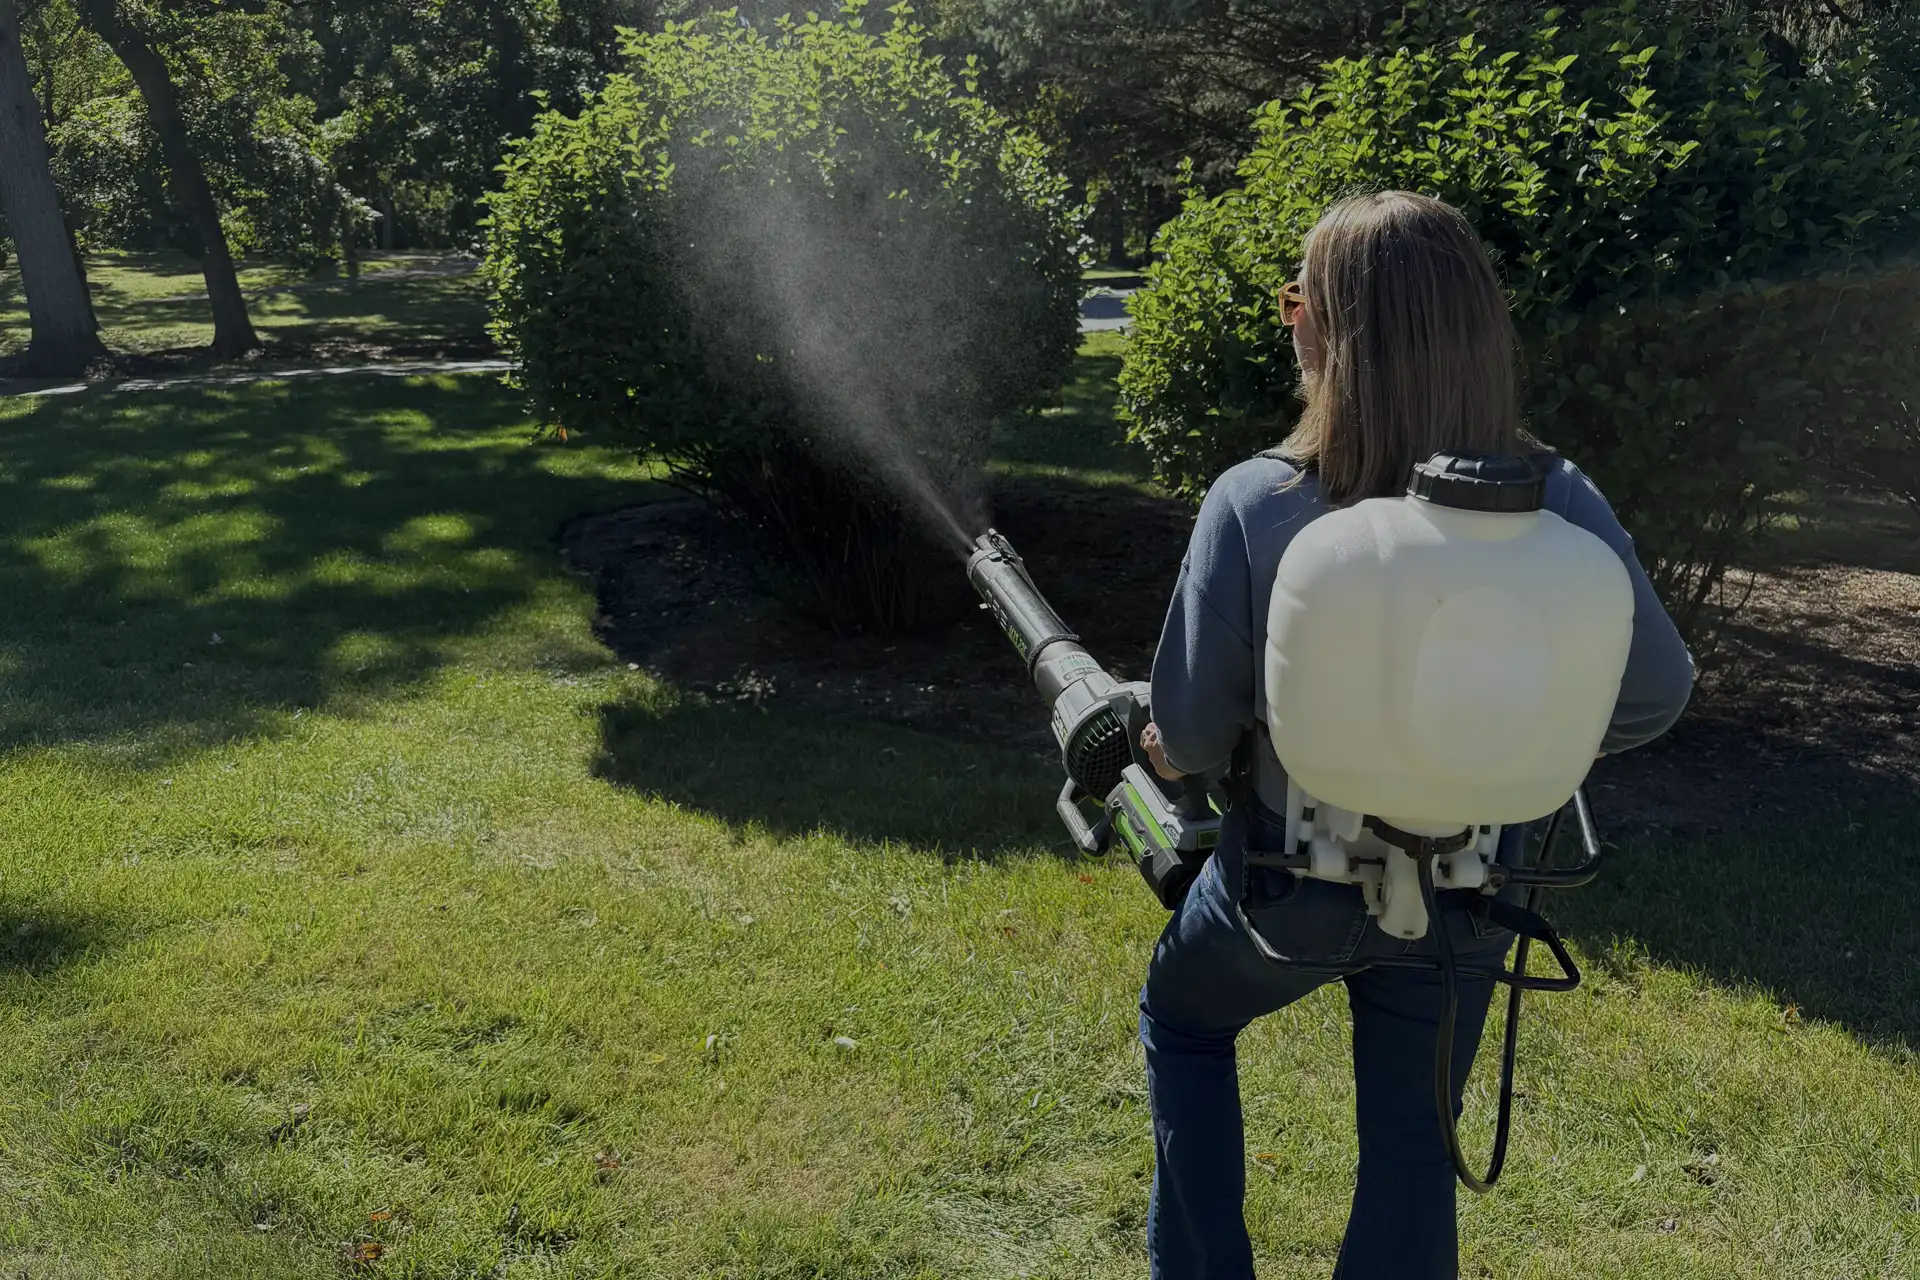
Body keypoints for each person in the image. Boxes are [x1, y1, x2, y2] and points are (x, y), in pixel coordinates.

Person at [1135, 191, 1696, 1280]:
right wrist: (1516, 741)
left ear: (1329, 332)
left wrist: (1166, 752)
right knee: (1411, 1143)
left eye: (1297, 303)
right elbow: (1655, 691)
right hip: (1471, 899)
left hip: (1284, 889)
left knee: (1185, 1020)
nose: (1288, 323)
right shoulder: (1558, 500)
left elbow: (1196, 736)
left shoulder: (1258, 501)